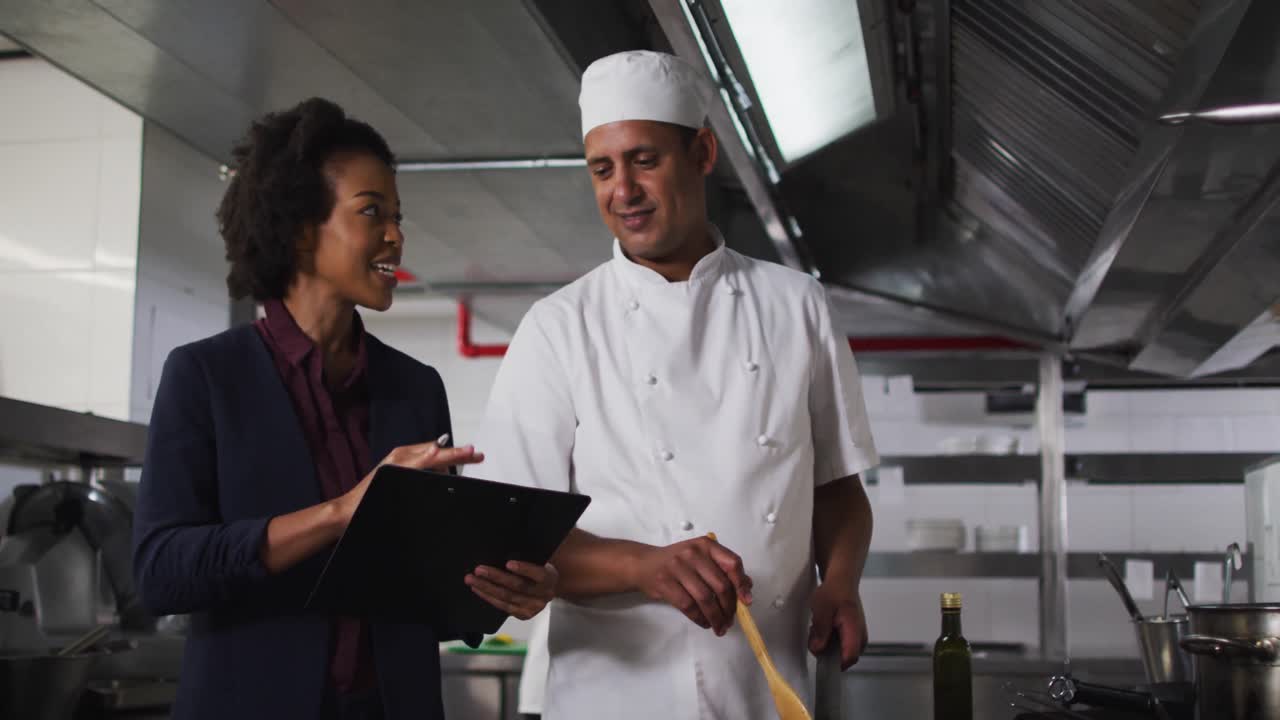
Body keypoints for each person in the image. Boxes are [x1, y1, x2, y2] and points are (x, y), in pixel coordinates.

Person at [476, 51, 879, 720]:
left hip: (768, 687)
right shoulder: (558, 328)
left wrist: (840, 583)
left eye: (644, 159)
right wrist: (642, 566)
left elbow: (837, 487)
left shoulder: (796, 305)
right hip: (616, 696)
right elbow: (509, 536)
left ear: (702, 151)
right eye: (602, 169)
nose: (622, 190)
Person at [131, 97, 557, 720]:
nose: (396, 235)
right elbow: (161, 572)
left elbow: (431, 593)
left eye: (397, 215)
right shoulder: (205, 376)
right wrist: (340, 512)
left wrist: (504, 590)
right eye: (371, 212)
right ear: (301, 227)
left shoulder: (415, 388)